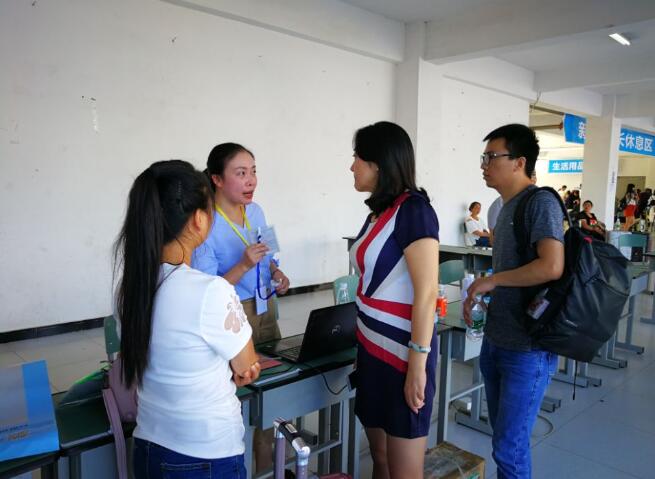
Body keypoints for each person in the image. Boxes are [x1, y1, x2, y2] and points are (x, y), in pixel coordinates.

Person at [114, 160, 261, 479]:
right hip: (206, 454)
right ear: (198, 220)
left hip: (149, 448)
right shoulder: (211, 291)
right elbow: (246, 366)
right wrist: (241, 366)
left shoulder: (130, 289)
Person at [464, 124, 563, 479]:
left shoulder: (541, 203)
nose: (484, 165)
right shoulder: (504, 209)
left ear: (520, 162)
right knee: (503, 440)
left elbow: (551, 266)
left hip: (527, 348)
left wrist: (493, 280)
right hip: (497, 339)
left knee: (510, 448)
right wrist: (484, 294)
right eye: (484, 157)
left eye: (492, 157)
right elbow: (514, 271)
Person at [349, 121, 439, 479]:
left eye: (357, 158)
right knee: (380, 457)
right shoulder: (377, 214)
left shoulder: (414, 210)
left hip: (404, 355)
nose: (352, 166)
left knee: (404, 471)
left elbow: (427, 292)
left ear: (379, 163)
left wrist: (417, 365)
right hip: (371, 351)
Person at [192, 143, 290, 473]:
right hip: (233, 315)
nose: (251, 180)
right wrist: (244, 265)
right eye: (241, 173)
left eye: (253, 172)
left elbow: (269, 253)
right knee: (237, 396)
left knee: (272, 389)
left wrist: (276, 273)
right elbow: (207, 291)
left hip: (266, 307)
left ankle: (267, 466)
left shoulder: (256, 211)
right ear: (217, 179)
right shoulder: (206, 223)